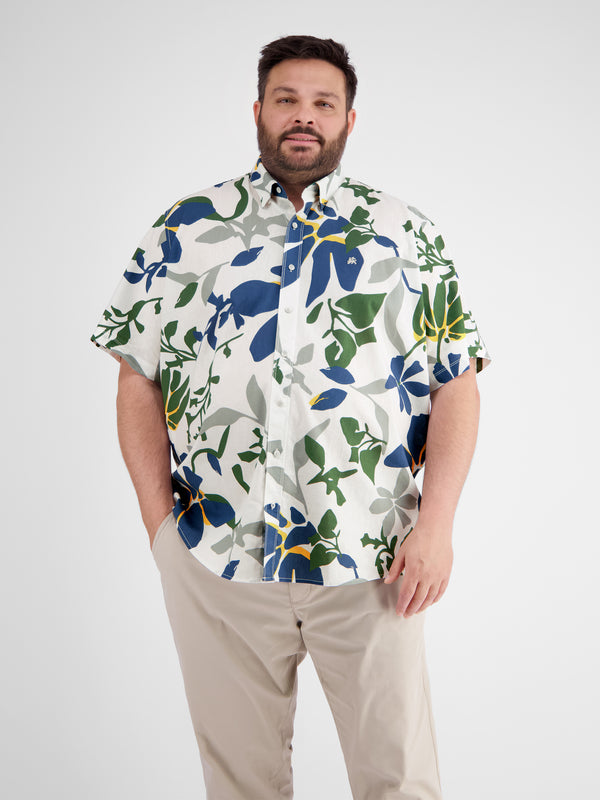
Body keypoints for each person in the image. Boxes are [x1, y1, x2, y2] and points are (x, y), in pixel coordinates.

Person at [92, 34, 490, 800]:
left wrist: (437, 527)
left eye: (322, 103)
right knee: (240, 786)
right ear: (259, 111)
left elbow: (457, 382)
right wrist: (161, 530)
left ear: (348, 120)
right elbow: (136, 375)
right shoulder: (186, 229)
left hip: (373, 559)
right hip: (217, 557)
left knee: (400, 781)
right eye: (287, 100)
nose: (303, 116)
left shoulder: (404, 232)